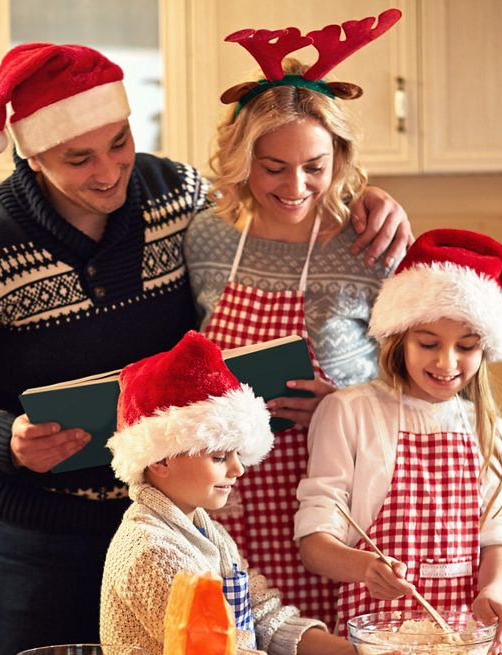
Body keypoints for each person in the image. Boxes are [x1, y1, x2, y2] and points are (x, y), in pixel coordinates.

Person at [0, 41, 410, 655]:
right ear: (32, 154)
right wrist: (1, 437)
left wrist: (359, 196)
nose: (108, 170)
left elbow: (283, 197)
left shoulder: (176, 196)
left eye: (119, 143)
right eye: (78, 157)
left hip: (181, 520)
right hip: (46, 538)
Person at [186, 10, 408, 621]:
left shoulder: (370, 245)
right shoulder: (205, 239)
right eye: (273, 168)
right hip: (230, 499)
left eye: (315, 166)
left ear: (340, 157)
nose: (295, 187)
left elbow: (422, 390)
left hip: (338, 501)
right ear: (240, 160)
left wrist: (345, 407)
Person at [295, 228, 502, 654]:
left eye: (467, 346)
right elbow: (314, 544)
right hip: (383, 641)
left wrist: (493, 593)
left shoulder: (485, 427)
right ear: (399, 337)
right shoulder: (350, 412)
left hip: (470, 640)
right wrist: (365, 567)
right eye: (428, 343)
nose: (446, 362)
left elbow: (497, 541)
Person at [101, 330, 353, 655]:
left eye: (238, 455)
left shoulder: (209, 532)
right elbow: (213, 650)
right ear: (160, 459)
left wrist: (351, 651)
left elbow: (262, 617)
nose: (239, 470)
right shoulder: (151, 552)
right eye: (220, 457)